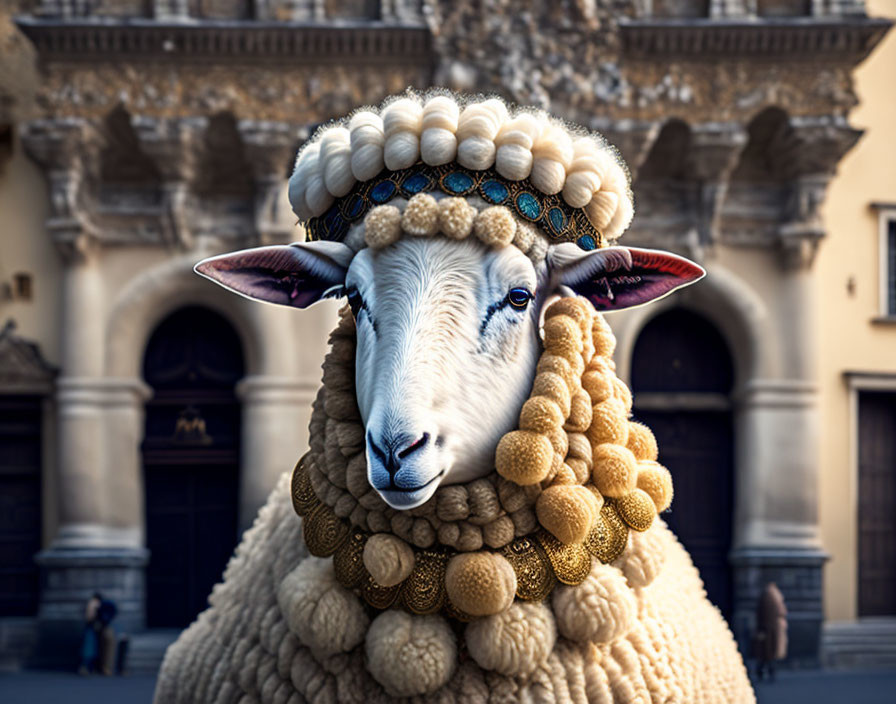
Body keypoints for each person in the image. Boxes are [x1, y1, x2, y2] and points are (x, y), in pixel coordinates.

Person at [753, 581, 788, 681]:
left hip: (770, 630)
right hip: (770, 630)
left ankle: (766, 671)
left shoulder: (769, 595)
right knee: (767, 654)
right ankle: (768, 672)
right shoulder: (771, 595)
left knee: (767, 654)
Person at [77, 592, 102, 675]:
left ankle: (86, 668)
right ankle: (85, 668)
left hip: (89, 627)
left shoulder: (91, 603)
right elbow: (90, 616)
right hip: (91, 627)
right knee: (89, 649)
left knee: (88, 648)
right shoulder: (94, 603)